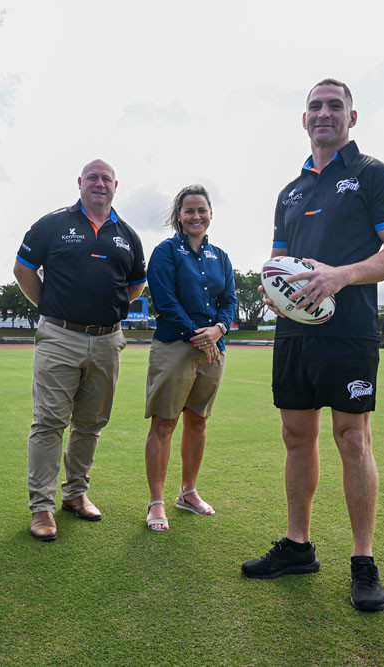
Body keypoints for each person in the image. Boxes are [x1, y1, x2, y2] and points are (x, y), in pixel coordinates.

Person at [241, 79, 384, 612]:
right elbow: (276, 262)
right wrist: (276, 292)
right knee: (296, 435)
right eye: (315, 106)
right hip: (295, 331)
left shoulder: (375, 175)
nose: (323, 114)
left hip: (350, 327)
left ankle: (363, 560)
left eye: (334, 106)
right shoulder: (289, 192)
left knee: (352, 438)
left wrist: (340, 276)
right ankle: (297, 546)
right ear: (303, 119)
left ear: (352, 118)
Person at [13, 159, 146, 542]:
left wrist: (110, 312)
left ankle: (76, 494)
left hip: (108, 340)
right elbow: (23, 270)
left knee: (91, 423)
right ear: (80, 183)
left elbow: (135, 284)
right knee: (50, 422)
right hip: (59, 335)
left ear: (116, 186)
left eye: (106, 178)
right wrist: (50, 308)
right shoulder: (52, 224)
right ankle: (42, 506)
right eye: (93, 178)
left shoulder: (127, 235)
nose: (99, 183)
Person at [143, 185, 237, 531]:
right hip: (176, 346)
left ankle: (188, 493)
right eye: (189, 211)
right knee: (164, 423)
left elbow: (230, 300)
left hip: (214, 348)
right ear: (178, 216)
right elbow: (165, 301)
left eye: (202, 210)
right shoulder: (166, 252)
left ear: (210, 214)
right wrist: (200, 336)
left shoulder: (222, 257)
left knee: (198, 421)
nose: (196, 216)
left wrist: (219, 329)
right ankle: (156, 503)